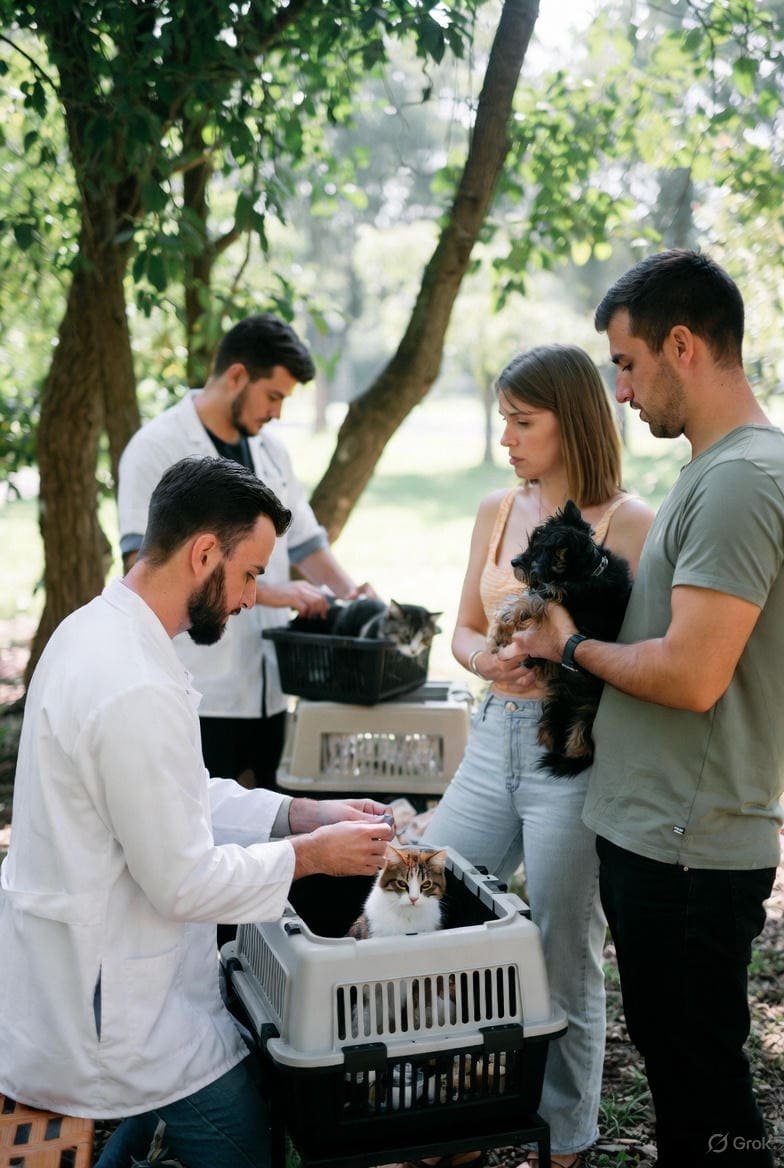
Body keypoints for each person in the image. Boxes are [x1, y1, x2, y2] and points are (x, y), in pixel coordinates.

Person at [0, 456, 394, 1168]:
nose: (251, 599)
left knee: (120, 1132)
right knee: (240, 1144)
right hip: (116, 1007)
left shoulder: (95, 627)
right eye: (248, 574)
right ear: (203, 553)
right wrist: (315, 856)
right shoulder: (132, 681)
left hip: (97, 976)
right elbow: (183, 881)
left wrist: (298, 813)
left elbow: (173, 794)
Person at [508, 251, 784, 1168]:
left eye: (626, 365)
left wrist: (568, 648)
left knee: (708, 1098)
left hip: (688, 850)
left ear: (681, 345)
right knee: (683, 1079)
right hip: (662, 835)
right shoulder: (716, 470)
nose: (619, 391)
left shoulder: (743, 480)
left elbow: (693, 674)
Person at [419, 345, 654, 1168]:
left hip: (573, 753)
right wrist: (484, 661)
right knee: (425, 903)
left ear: (574, 421)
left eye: (524, 423)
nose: (508, 440)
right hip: (493, 738)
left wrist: (570, 650)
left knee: (562, 951)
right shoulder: (496, 508)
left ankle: (565, 1140)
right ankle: (458, 1110)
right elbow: (460, 630)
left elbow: (643, 654)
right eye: (503, 423)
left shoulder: (628, 521)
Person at [118, 313, 373, 790]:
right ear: (236, 375)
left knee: (263, 821)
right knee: (205, 818)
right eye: (272, 395)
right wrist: (275, 593)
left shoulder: (273, 451)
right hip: (199, 682)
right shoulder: (154, 447)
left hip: (268, 686)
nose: (276, 412)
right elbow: (141, 563)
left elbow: (306, 541)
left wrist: (354, 594)